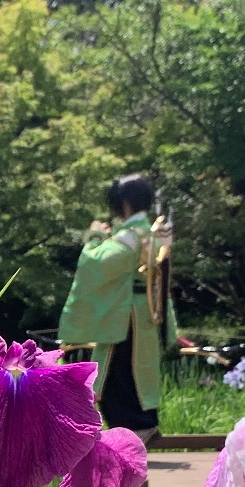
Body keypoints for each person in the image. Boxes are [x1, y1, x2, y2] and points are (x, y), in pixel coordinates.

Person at [58, 172, 174, 440]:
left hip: (127, 314)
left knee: (117, 370)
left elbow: (99, 264)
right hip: (141, 309)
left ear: (124, 204)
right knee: (136, 368)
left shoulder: (133, 234)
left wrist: (95, 237)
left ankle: (133, 427)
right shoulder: (151, 229)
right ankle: (141, 423)